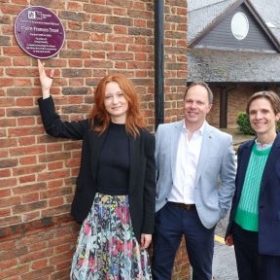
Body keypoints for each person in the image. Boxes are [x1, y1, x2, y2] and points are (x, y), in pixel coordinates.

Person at [37, 59, 156, 279]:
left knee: (123, 272)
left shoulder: (144, 139)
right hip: (96, 212)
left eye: (120, 95)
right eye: (108, 96)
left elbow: (149, 188)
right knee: (90, 272)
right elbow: (55, 128)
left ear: (129, 98)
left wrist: (148, 227)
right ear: (102, 102)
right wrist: (46, 89)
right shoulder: (93, 129)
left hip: (128, 217)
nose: (115, 101)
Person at [152, 81, 236, 280]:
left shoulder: (222, 140)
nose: (193, 106)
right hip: (167, 211)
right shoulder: (164, 133)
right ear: (183, 103)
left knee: (202, 271)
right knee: (160, 269)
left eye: (199, 102)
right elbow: (152, 172)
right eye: (189, 100)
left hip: (201, 216)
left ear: (209, 107)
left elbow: (229, 180)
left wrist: (218, 210)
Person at [225, 91, 280, 280]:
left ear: (277, 115)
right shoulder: (245, 149)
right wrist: (231, 228)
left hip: (272, 237)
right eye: (253, 112)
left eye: (265, 111)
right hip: (242, 233)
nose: (258, 117)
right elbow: (239, 191)